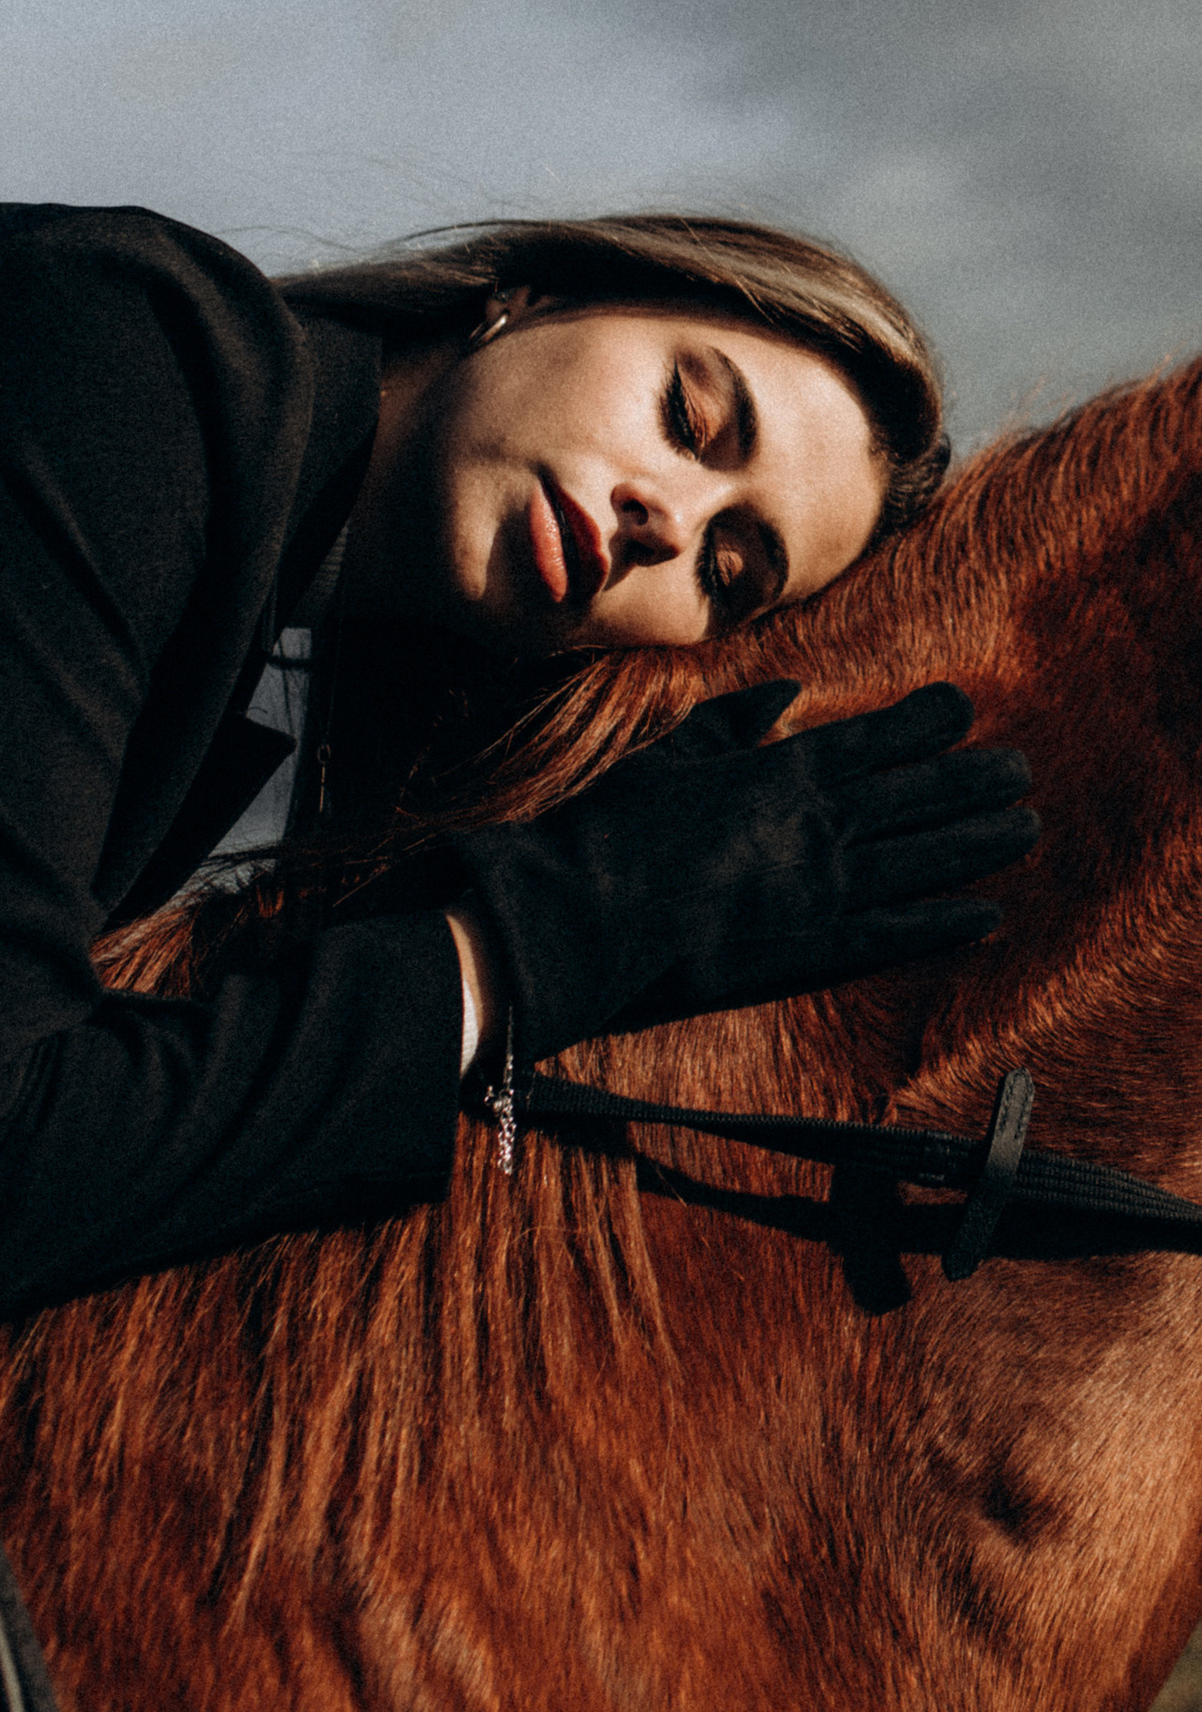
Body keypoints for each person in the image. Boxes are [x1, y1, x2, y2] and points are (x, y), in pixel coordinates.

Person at [0, 200, 1040, 1322]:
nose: (670, 522)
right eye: (688, 417)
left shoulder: (260, 662)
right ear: (532, 296)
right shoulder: (122, 354)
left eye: (728, 574)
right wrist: (541, 939)